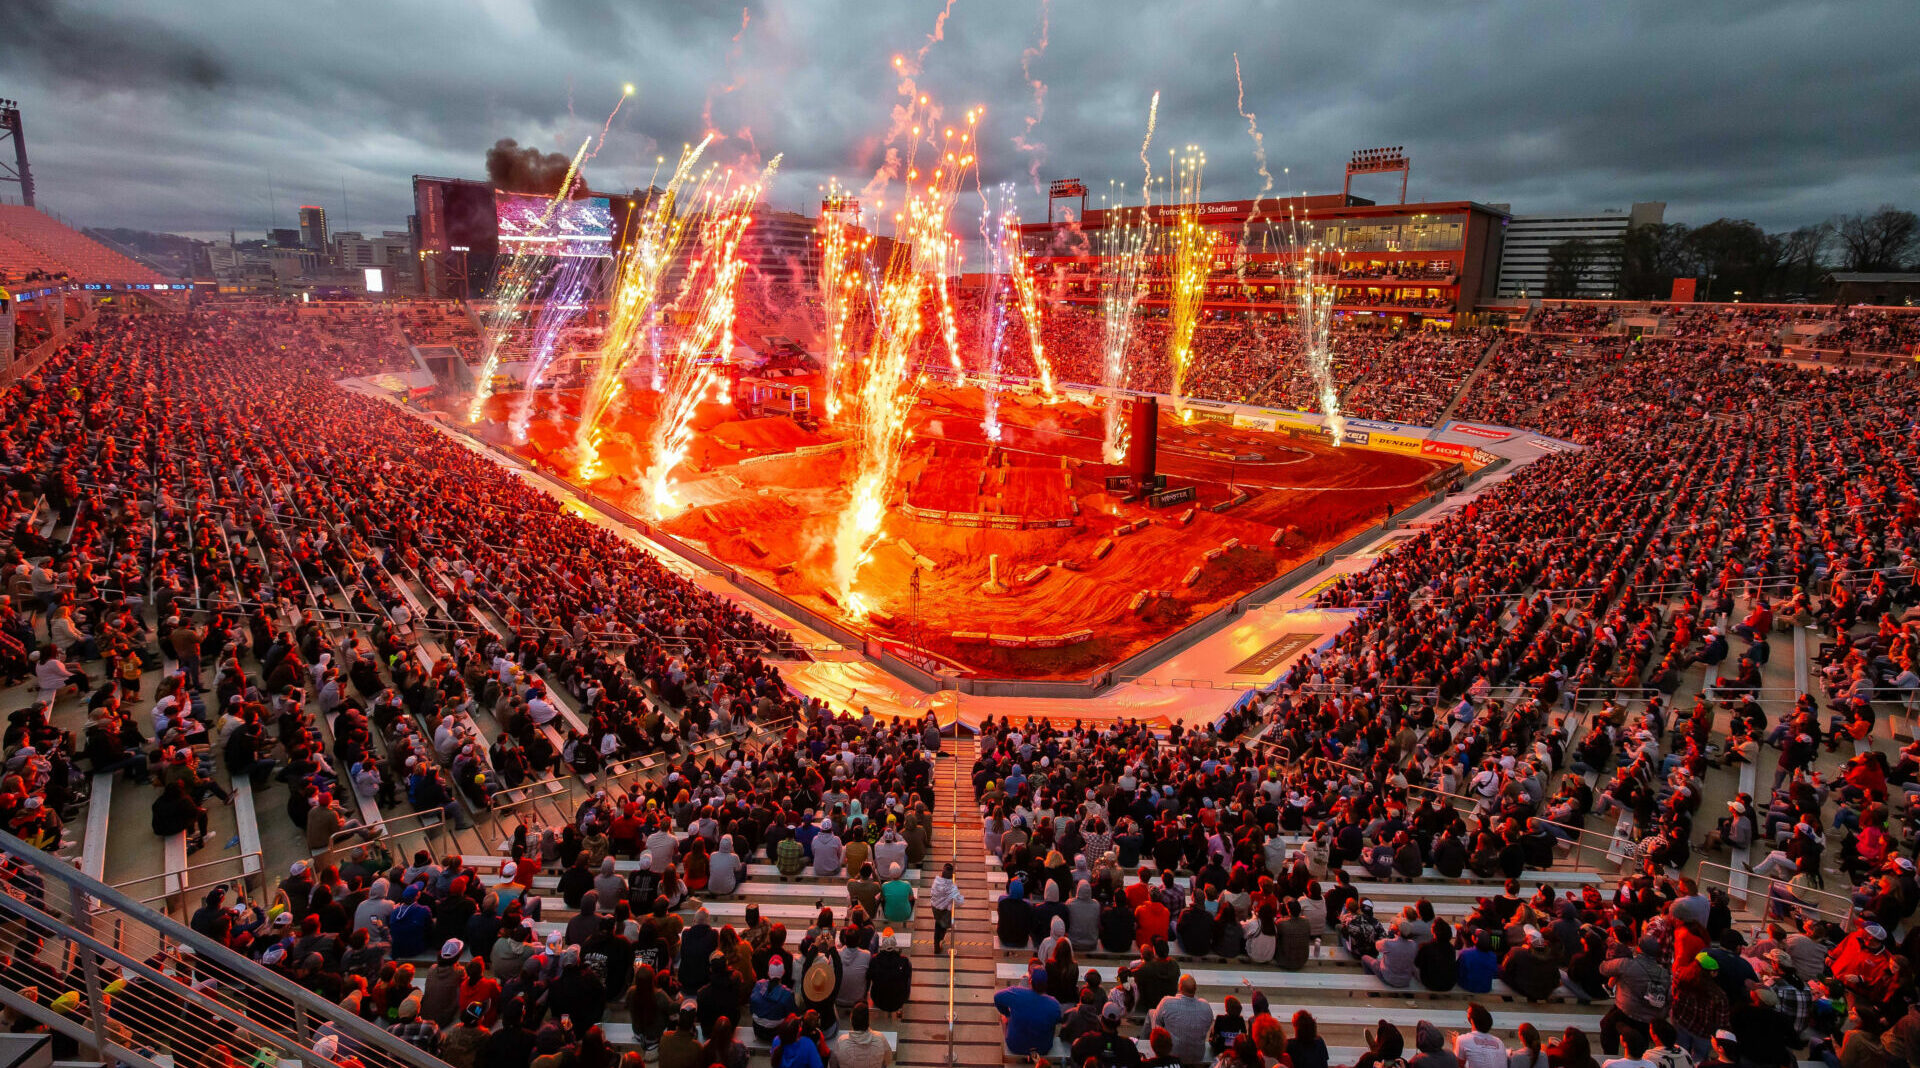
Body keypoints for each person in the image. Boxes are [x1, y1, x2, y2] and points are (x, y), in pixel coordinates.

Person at [993, 969, 1063, 1057]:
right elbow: (1058, 1020)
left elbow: (997, 997)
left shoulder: (1016, 992)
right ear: (1046, 984)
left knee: (1003, 1017)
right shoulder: (1054, 1004)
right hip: (1043, 1048)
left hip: (1015, 1045)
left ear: (1030, 981)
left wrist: (1007, 1014)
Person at [1148, 974, 1213, 1066]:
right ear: (1195, 989)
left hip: (1173, 1054)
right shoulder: (1205, 1006)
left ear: (1180, 987)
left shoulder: (1167, 1002)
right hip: (1197, 1055)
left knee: (1152, 1013)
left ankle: (1148, 1043)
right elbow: (1207, 1026)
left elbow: (1157, 1025)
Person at [931, 862, 964, 953]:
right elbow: (960, 902)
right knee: (943, 926)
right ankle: (938, 942)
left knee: (938, 923)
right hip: (945, 910)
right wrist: (960, 897)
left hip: (935, 908)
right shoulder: (952, 888)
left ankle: (936, 943)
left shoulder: (936, 881)